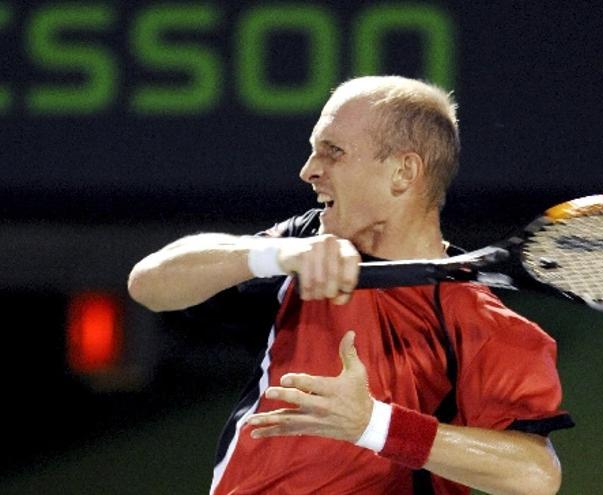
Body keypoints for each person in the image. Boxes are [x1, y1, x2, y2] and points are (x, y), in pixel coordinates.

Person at [128, 75, 573, 495]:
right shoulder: (303, 245)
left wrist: (373, 424)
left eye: (332, 151)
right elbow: (148, 284)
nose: (308, 170)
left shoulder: (479, 321)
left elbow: (535, 473)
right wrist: (276, 255)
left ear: (403, 172)